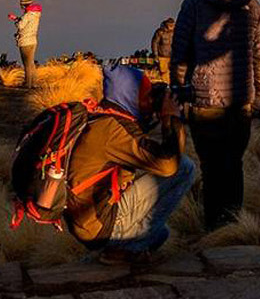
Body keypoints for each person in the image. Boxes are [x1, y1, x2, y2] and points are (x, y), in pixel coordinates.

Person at [170, 0, 260, 230]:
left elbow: (180, 55)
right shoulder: (252, 4)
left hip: (204, 103)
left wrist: (181, 93)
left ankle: (214, 227)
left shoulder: (193, 5)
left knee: (211, 168)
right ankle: (234, 224)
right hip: (240, 102)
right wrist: (259, 98)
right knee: (234, 164)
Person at [64, 65, 196, 265]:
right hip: (99, 224)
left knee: (160, 234)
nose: (149, 99)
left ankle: (125, 246)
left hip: (89, 220)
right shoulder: (113, 130)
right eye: (145, 93)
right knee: (184, 168)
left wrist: (154, 115)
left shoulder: (102, 117)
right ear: (130, 94)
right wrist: (170, 118)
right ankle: (121, 249)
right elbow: (168, 164)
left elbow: (140, 146)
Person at [8, 0, 42, 88]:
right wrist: (16, 18)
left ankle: (27, 84)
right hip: (33, 40)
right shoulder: (35, 14)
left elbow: (20, 26)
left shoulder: (27, 15)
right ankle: (34, 83)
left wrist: (15, 21)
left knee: (27, 64)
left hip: (25, 41)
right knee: (31, 63)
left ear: (23, 4)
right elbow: (26, 23)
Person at [150, 18, 175, 82]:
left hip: (173, 56)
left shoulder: (176, 32)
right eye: (170, 24)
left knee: (174, 71)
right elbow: (155, 43)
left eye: (172, 24)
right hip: (162, 56)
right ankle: (166, 84)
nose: (171, 26)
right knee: (163, 72)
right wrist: (155, 55)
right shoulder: (160, 32)